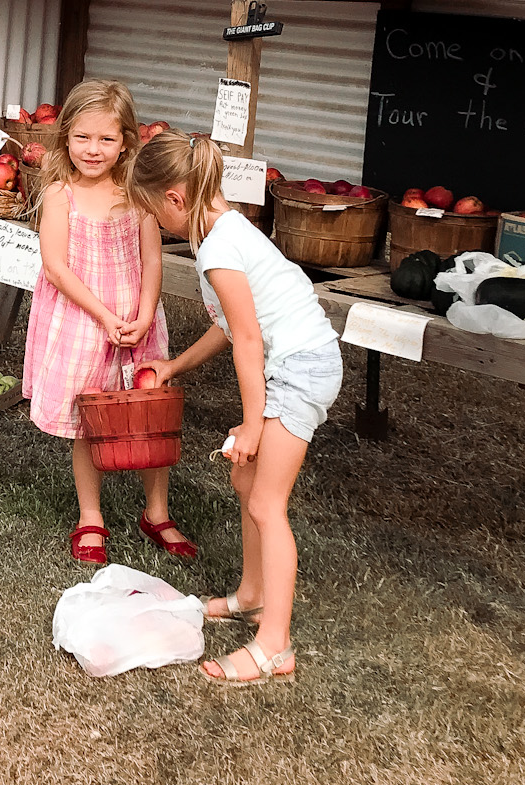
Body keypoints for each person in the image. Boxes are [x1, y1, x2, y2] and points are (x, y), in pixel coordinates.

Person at [128, 130, 341, 686]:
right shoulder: (223, 229)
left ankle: (274, 644)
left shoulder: (220, 246)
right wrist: (175, 367)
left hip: (300, 369)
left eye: (151, 210)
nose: (151, 221)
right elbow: (228, 327)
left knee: (268, 504)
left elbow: (248, 340)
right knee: (247, 485)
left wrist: (251, 424)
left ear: (173, 198)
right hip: (291, 363)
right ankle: (251, 596)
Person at [20, 79, 177, 564]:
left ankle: (157, 510)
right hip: (86, 321)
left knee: (150, 413)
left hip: (136, 319)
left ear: (127, 141)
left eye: (106, 139)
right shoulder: (60, 195)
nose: (93, 149)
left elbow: (152, 262)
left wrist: (145, 313)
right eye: (83, 137)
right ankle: (92, 515)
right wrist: (106, 316)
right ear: (65, 137)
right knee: (91, 418)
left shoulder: (137, 195)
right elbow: (56, 268)